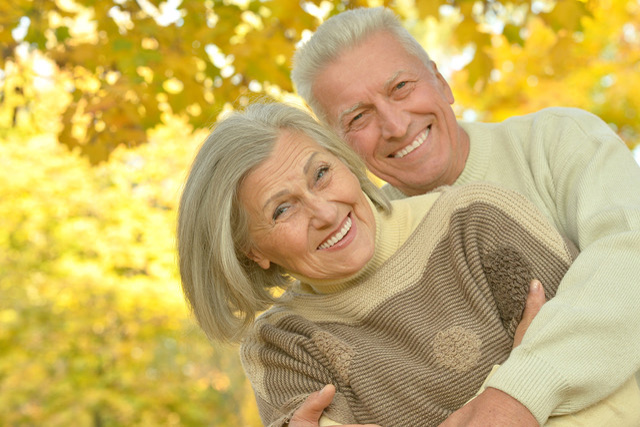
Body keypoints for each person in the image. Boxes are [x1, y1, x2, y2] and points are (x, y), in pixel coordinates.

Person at [176, 102, 639, 426]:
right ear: (249, 251)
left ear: (344, 162)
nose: (325, 211)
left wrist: (521, 393)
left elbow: (618, 389)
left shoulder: (474, 222)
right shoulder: (283, 347)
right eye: (283, 209)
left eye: (321, 174)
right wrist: (522, 386)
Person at [290, 6, 640, 426]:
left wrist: (517, 393)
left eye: (401, 87)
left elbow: (629, 258)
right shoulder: (354, 249)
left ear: (441, 81)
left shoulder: (558, 141)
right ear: (339, 146)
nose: (396, 125)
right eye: (359, 117)